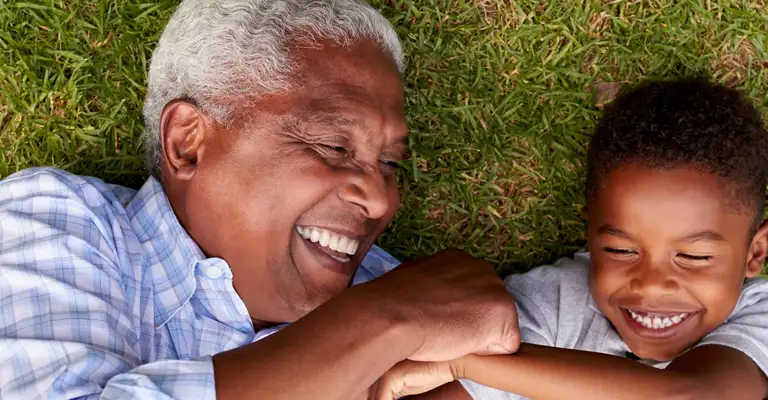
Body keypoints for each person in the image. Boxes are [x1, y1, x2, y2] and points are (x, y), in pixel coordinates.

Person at [0, 1, 521, 398]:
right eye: (333, 145)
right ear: (188, 142)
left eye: (389, 164)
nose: (381, 200)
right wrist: (383, 324)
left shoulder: (416, 298)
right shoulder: (58, 221)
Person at [374, 78, 768, 400]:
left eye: (694, 256)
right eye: (620, 250)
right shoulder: (557, 304)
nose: (650, 283)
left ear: (755, 253)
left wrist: (464, 362)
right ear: (591, 238)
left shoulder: (757, 316)